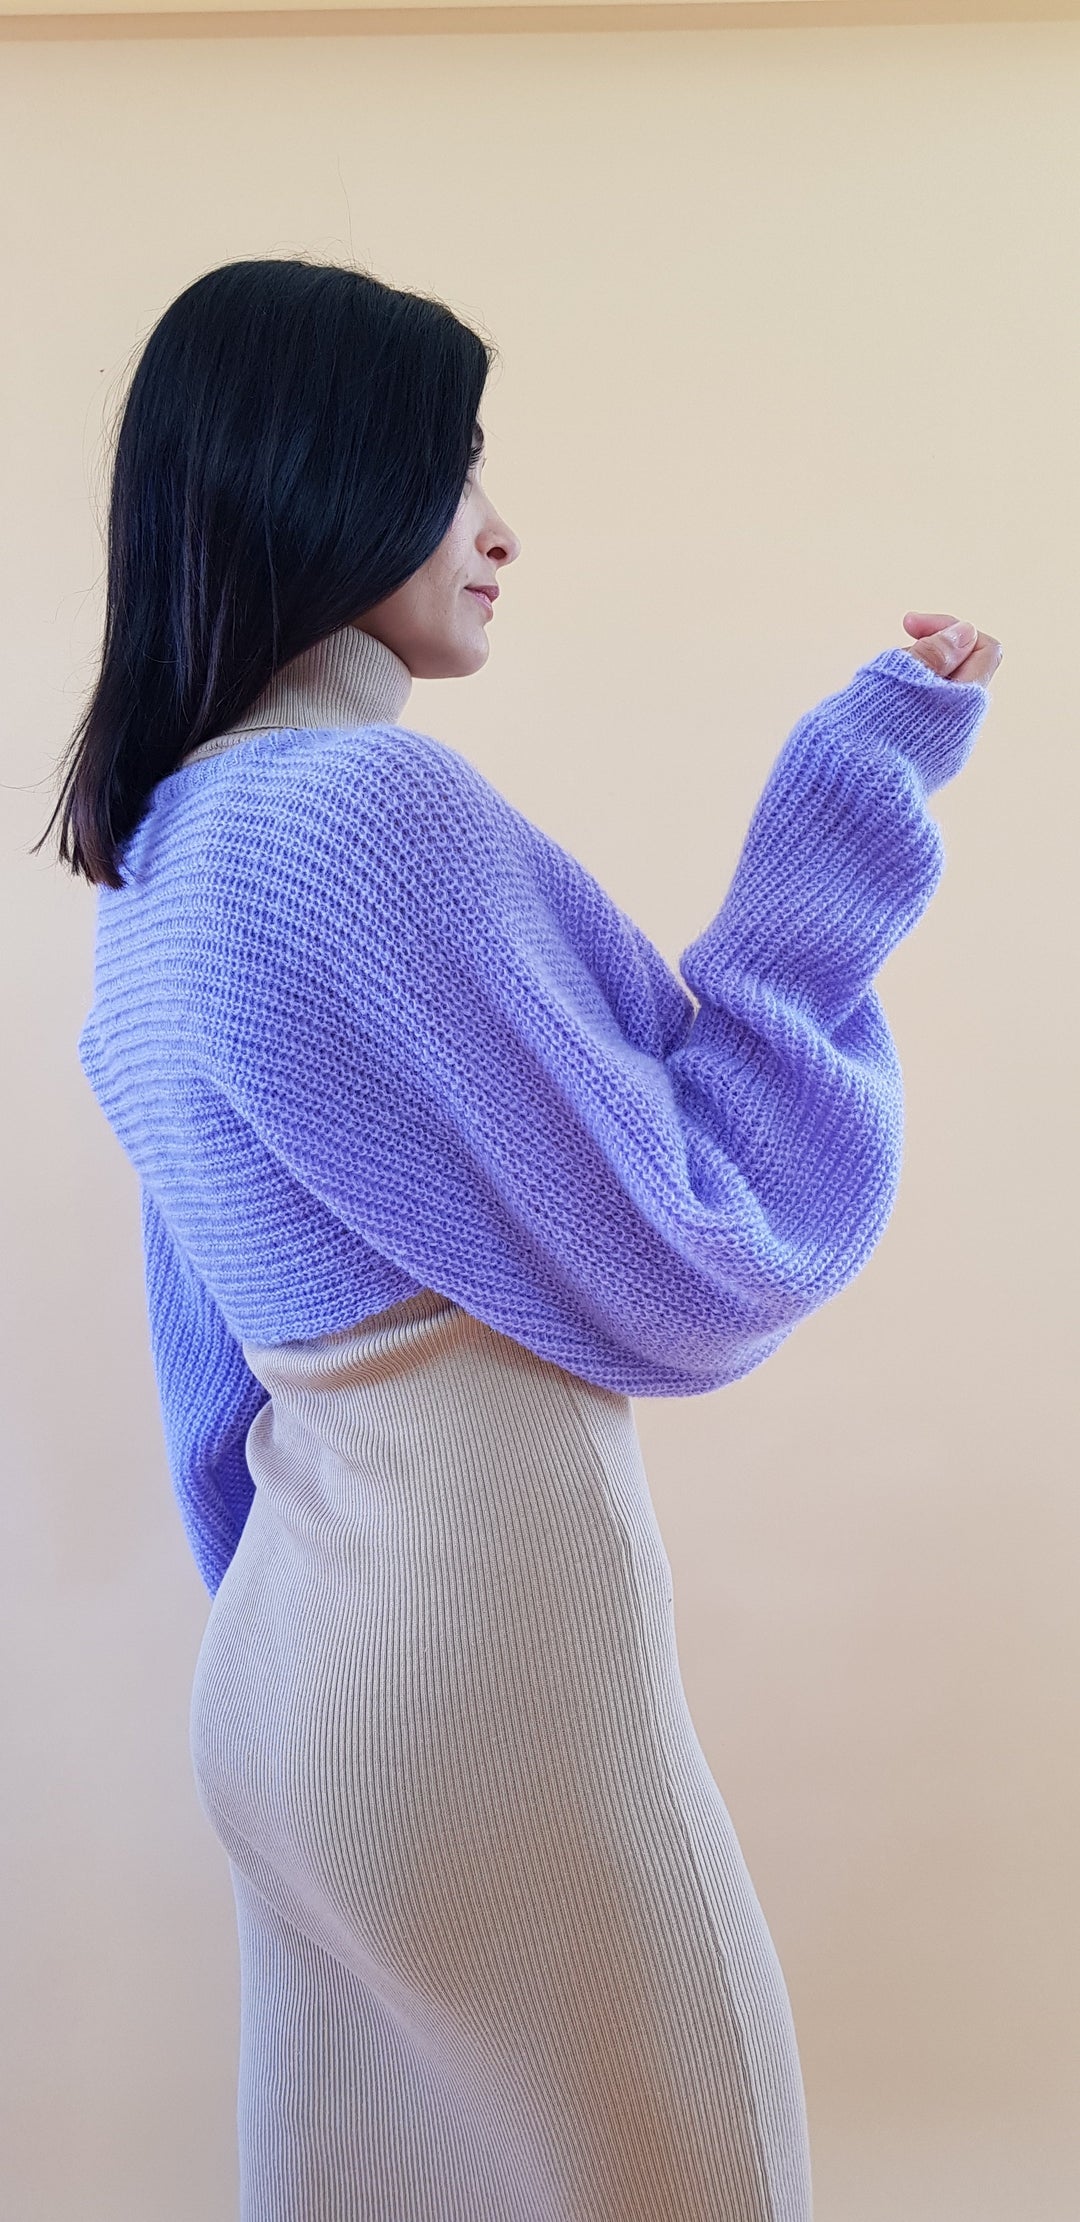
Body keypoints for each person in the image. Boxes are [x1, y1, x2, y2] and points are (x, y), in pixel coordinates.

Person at [34, 255, 1001, 2222]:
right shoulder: (365, 815)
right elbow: (697, 1241)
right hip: (483, 1672)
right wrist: (862, 789)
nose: (500, 527)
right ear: (326, 478)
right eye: (450, 468)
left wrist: (312, 1672)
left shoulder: (165, 865)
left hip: (291, 1676)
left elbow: (206, 1356)